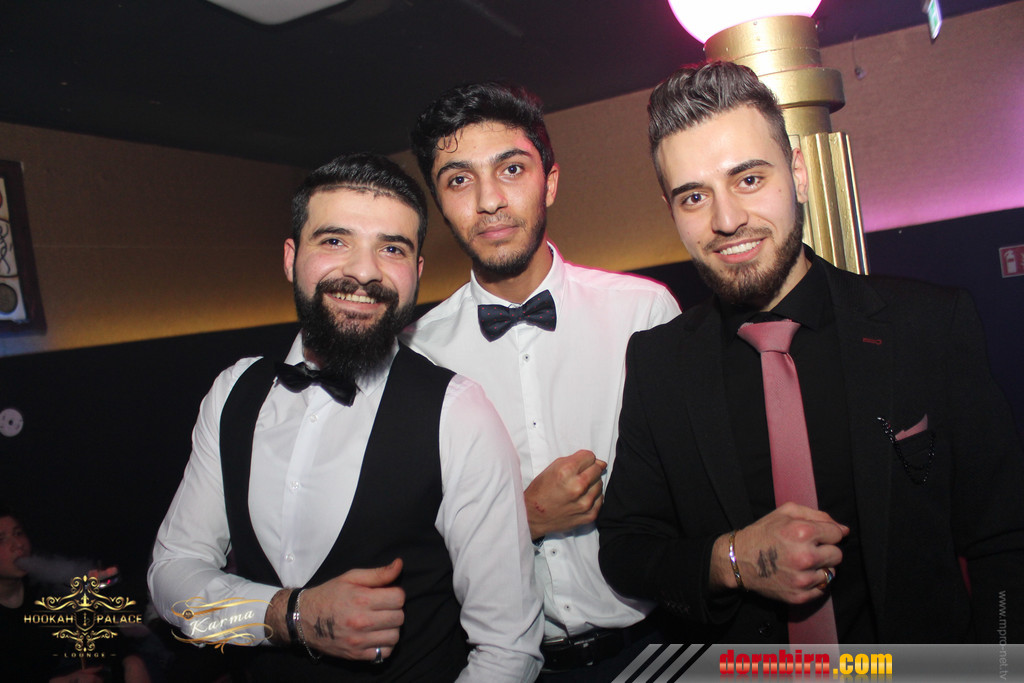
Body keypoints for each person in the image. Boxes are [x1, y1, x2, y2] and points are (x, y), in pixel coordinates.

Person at [597, 60, 1024, 644]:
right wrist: (733, 559)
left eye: (750, 179)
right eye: (694, 196)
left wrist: (1000, 670)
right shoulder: (659, 363)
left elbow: (1004, 535)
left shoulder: (926, 326)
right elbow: (627, 550)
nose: (727, 220)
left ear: (798, 175)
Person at [148, 153, 543, 681]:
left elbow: (508, 651)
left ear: (417, 273)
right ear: (291, 258)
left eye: (392, 248)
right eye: (335, 241)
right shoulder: (233, 392)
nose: (363, 271)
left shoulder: (458, 413)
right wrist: (288, 616)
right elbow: (171, 578)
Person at [403, 83, 681, 679]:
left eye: (511, 169)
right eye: (459, 179)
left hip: (656, 647)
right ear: (439, 204)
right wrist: (521, 519)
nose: (489, 201)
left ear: (549, 182)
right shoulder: (416, 355)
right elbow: (408, 546)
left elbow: (694, 492)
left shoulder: (644, 312)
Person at [0, 504, 152, 683]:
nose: (18, 545)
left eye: (18, 533)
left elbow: (100, 629)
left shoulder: (45, 590)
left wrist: (132, 660)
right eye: (1, 540)